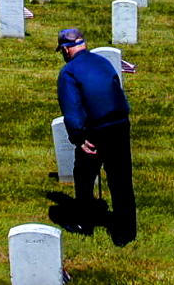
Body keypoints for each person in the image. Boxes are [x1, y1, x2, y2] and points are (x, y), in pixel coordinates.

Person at [56, 28, 137, 247]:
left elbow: (72, 108)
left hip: (95, 129)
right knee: (121, 180)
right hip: (120, 124)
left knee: (84, 176)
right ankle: (125, 233)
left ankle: (84, 222)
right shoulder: (103, 62)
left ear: (66, 50)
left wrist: (78, 138)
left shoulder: (69, 72)